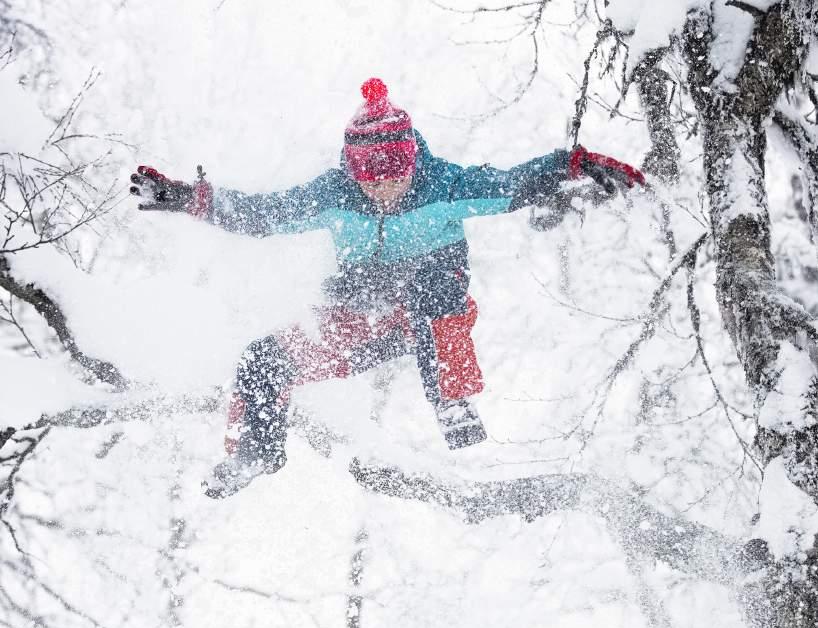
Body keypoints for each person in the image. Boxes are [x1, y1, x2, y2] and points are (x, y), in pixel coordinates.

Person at [129, 78, 645, 498]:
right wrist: (185, 197)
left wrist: (573, 165)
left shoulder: (444, 185)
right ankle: (255, 450)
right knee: (261, 360)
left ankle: (452, 401)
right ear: (353, 171)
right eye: (369, 179)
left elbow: (513, 184)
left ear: (411, 162)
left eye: (393, 175)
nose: (382, 189)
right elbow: (263, 216)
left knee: (427, 284)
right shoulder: (333, 194)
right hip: (366, 317)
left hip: (433, 315)